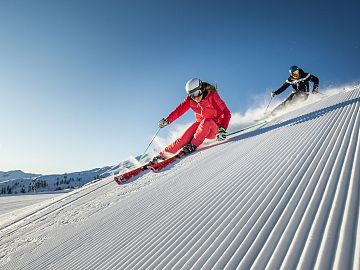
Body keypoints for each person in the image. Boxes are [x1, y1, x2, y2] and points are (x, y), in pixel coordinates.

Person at [150, 78, 231, 164]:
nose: (195, 97)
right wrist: (167, 120)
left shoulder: (212, 96)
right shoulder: (190, 100)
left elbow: (226, 113)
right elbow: (179, 110)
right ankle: (163, 155)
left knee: (207, 121)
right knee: (184, 138)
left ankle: (193, 145)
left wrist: (222, 129)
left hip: (215, 128)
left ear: (202, 89)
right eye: (192, 95)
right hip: (201, 126)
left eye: (196, 93)